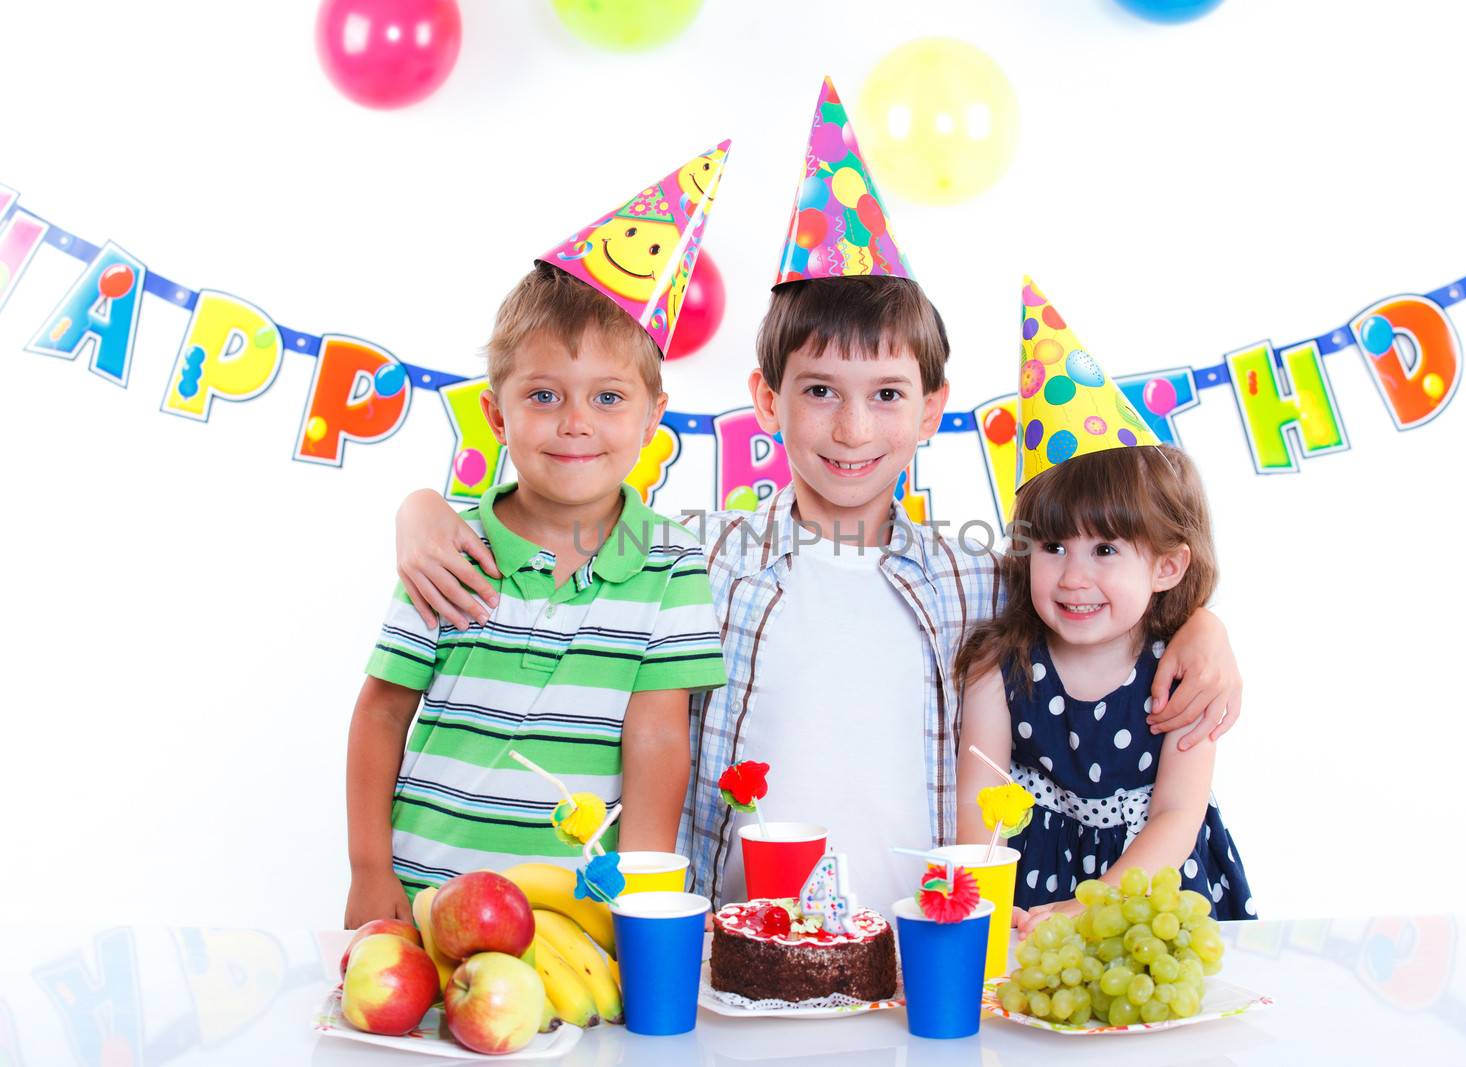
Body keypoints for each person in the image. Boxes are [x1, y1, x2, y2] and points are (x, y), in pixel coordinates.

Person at [387, 81, 1243, 913]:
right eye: (821, 390)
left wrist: (1204, 627)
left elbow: (1114, 600)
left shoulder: (981, 575)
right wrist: (423, 508)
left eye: (886, 394)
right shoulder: (695, 558)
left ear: (933, 410)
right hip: (735, 945)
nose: (852, 429)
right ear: (768, 400)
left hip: (920, 945)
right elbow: (563, 531)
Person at [343, 149, 731, 926]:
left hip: (574, 914)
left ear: (654, 418)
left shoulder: (671, 564)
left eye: (608, 396)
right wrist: (367, 869)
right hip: (424, 895)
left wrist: (645, 899)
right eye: (544, 394)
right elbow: (382, 711)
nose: (576, 421)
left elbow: (657, 740)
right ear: (497, 414)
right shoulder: (449, 550)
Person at [955, 279, 1253, 934]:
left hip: (1152, 890)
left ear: (1167, 564)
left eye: (1108, 550)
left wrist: (1096, 907)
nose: (1074, 577)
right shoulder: (998, 666)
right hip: (1029, 898)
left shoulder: (1178, 670)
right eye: (1054, 545)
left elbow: (1178, 811)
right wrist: (984, 903)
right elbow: (979, 794)